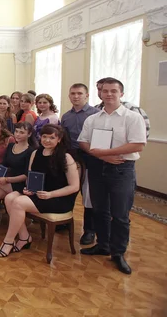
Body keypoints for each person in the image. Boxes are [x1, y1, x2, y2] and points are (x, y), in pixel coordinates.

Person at [78, 78, 146, 274]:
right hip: (98, 168)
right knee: (100, 210)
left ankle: (118, 253)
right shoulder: (93, 119)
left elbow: (138, 144)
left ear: (121, 93)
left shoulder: (132, 118)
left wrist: (104, 154)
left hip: (121, 169)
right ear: (100, 93)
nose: (108, 94)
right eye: (105, 91)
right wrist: (101, 155)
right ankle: (103, 245)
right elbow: (83, 142)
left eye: (113, 91)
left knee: (120, 214)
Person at [0, 124, 79, 258]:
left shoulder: (66, 157)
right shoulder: (35, 153)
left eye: (52, 137)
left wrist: (51, 194)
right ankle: (24, 237)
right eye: (44, 136)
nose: (47, 140)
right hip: (39, 194)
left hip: (58, 199)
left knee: (18, 203)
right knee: (9, 198)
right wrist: (29, 189)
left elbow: (74, 187)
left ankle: (8, 241)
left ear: (59, 139)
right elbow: (31, 177)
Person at [60, 83, 100, 245]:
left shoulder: (96, 114)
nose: (76, 96)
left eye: (79, 93)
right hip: (71, 157)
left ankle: (90, 230)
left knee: (88, 194)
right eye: (73, 93)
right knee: (67, 189)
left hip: (89, 157)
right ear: (69, 96)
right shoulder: (66, 116)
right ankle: (63, 221)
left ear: (87, 95)